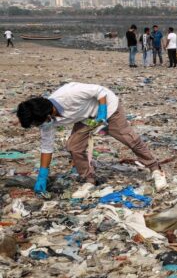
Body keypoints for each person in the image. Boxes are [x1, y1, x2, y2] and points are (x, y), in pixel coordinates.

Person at [16, 82, 167, 198]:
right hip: (86, 117)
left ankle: (155, 169)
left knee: (130, 140)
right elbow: (46, 148)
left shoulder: (69, 93)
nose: (39, 126)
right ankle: (89, 180)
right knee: (74, 146)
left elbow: (100, 91)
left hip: (108, 108)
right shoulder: (46, 122)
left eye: (37, 123)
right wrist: (42, 175)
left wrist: (102, 112)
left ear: (47, 115)